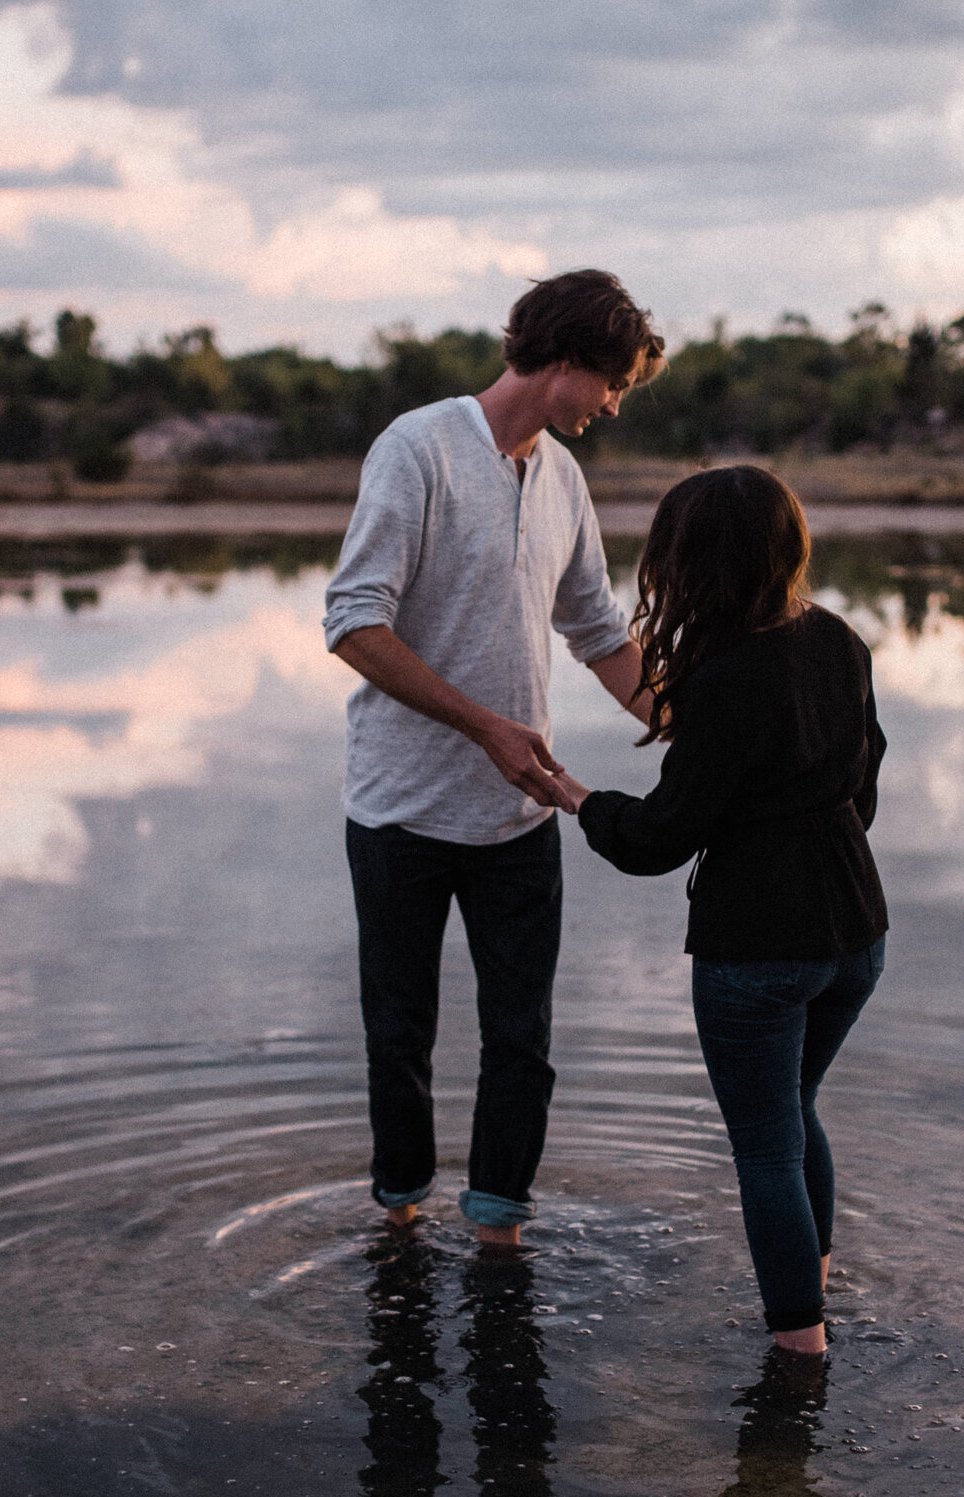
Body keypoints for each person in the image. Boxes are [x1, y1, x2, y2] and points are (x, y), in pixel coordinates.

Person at [323, 269, 664, 1248]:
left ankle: (498, 1224)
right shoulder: (417, 449)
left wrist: (687, 725)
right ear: (565, 358)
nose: (611, 403)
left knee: (523, 1040)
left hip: (521, 815)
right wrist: (484, 726)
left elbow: (598, 630)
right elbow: (352, 623)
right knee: (401, 1035)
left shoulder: (560, 476)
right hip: (398, 810)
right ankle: (398, 1208)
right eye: (612, 383)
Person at [553, 466, 887, 1357]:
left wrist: (580, 800)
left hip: (758, 949)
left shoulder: (724, 676)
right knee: (795, 1109)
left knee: (767, 1147)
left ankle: (798, 1345)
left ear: (697, 566)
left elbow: (663, 836)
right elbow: (864, 787)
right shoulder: (842, 642)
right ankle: (811, 1287)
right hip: (857, 932)